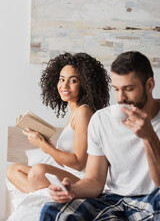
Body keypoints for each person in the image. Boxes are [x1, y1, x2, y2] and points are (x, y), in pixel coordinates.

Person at [40, 51, 160, 221]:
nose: (121, 98)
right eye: (117, 89)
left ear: (149, 85)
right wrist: (72, 190)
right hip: (114, 200)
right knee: (52, 211)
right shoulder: (101, 120)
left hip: (153, 199)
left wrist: (149, 138)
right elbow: (95, 181)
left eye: (129, 89)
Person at [6, 52, 110, 193]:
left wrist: (42, 145)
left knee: (38, 170)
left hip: (82, 181)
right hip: (70, 174)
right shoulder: (74, 112)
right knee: (12, 170)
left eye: (73, 81)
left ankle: (41, 193)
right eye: (62, 79)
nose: (64, 85)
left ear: (85, 85)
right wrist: (47, 147)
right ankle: (41, 193)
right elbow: (65, 164)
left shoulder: (84, 112)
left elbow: (79, 164)